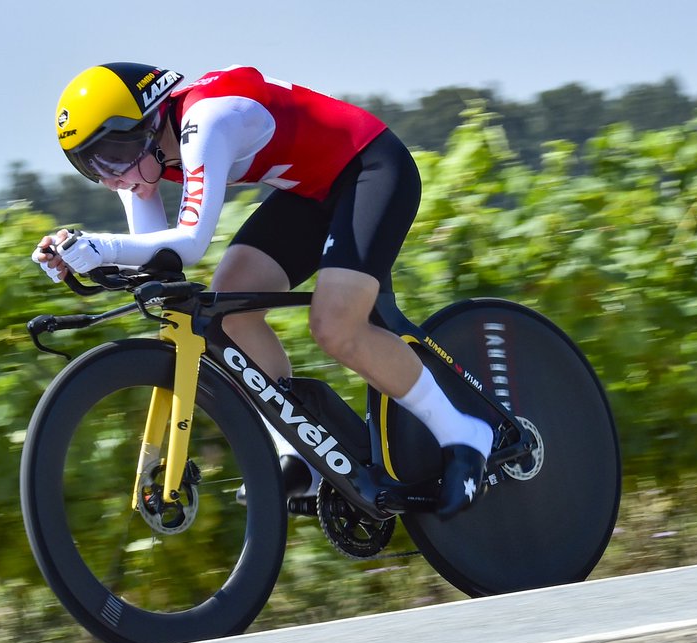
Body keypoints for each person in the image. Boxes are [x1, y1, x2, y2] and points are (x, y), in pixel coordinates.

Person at [31, 62, 491, 519]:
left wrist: (102, 247)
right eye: (91, 166)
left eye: (111, 157)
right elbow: (155, 259)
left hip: (371, 168)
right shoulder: (141, 162)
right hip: (310, 192)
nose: (110, 178)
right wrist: (79, 256)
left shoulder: (207, 120)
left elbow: (189, 243)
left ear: (148, 125)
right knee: (230, 315)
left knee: (335, 326)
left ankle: (464, 433)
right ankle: (299, 452)